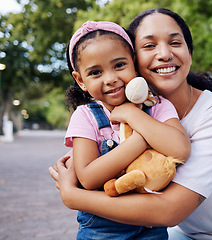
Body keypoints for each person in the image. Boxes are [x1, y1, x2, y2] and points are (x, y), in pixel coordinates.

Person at [50, 8, 212, 240]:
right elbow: (90, 171)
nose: (164, 54)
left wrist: (73, 196)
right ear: (136, 59)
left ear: (189, 53)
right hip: (185, 233)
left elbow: (169, 210)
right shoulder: (99, 114)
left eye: (175, 43)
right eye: (149, 45)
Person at [61, 20, 190, 240]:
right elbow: (88, 178)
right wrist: (140, 140)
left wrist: (132, 115)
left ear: (134, 63)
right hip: (101, 230)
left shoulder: (157, 106)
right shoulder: (85, 117)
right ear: (80, 80)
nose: (110, 79)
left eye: (119, 65)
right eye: (95, 72)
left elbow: (180, 150)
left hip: (152, 225)